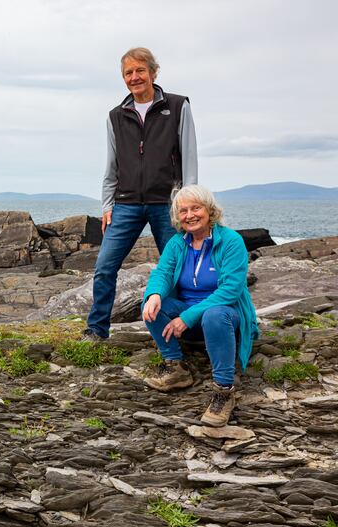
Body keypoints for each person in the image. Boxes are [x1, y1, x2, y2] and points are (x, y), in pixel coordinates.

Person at [85, 47, 198, 340]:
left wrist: (187, 204)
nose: (134, 78)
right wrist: (107, 204)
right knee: (105, 267)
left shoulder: (177, 106)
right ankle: (97, 329)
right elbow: (111, 165)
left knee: (176, 269)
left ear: (153, 72)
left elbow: (189, 158)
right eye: (128, 73)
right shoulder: (116, 116)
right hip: (125, 204)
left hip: (168, 205)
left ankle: (180, 327)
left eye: (140, 71)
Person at [141, 185, 258, 427]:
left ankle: (224, 392)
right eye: (183, 211)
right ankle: (176, 368)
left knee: (214, 315)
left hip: (226, 317)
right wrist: (154, 294)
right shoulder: (177, 243)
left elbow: (230, 290)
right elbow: (162, 273)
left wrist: (188, 317)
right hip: (189, 315)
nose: (190, 215)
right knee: (152, 304)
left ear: (210, 210)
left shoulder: (231, 241)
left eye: (196, 208)